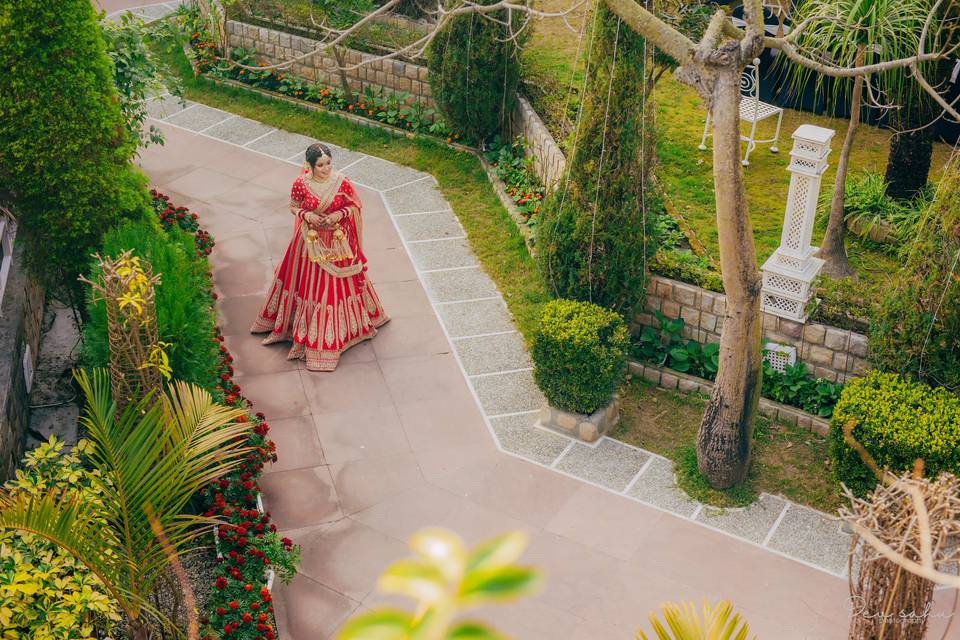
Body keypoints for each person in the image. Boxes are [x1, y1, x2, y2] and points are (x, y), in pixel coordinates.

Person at [251, 142, 389, 371]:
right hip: (310, 242)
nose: (326, 169)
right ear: (310, 165)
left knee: (335, 288)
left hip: (337, 242)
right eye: (320, 165)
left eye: (328, 164)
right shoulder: (301, 183)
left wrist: (338, 214)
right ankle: (306, 332)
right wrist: (307, 215)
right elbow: (293, 206)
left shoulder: (341, 181)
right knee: (310, 287)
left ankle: (344, 331)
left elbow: (354, 205)